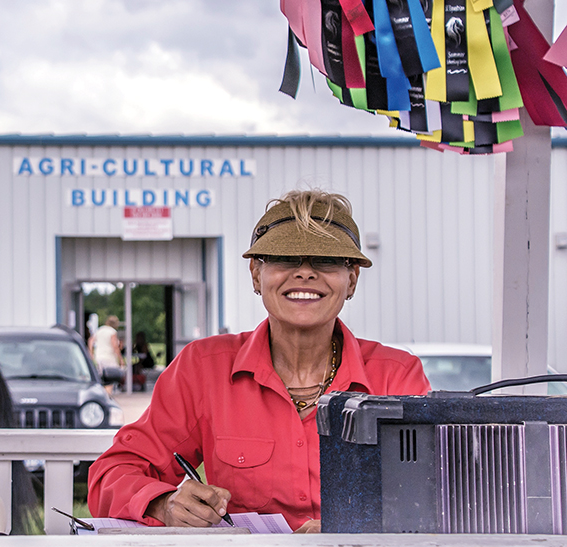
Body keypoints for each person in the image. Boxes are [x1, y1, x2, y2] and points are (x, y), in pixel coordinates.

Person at [87, 189, 431, 532]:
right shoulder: (204, 368)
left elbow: (435, 495)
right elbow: (111, 475)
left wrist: (350, 526)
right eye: (285, 258)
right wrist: (165, 504)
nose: (305, 273)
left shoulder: (396, 376)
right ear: (256, 274)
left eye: (326, 260)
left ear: (352, 279)